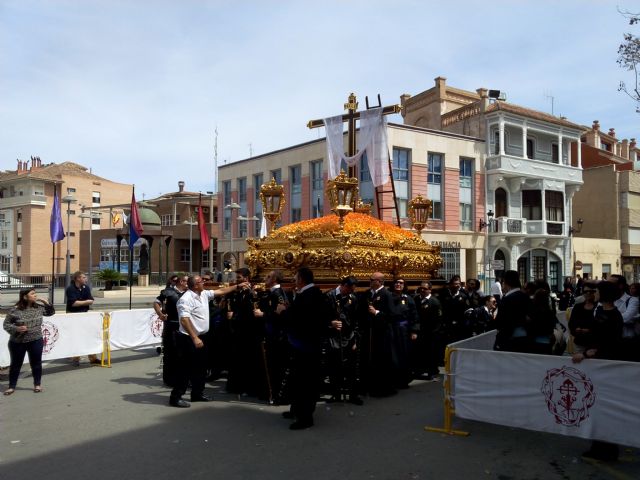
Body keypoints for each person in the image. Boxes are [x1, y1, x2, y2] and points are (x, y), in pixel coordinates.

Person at [169, 274, 248, 408]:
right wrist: (194, 337)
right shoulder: (186, 299)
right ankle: (176, 397)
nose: (204, 283)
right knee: (186, 369)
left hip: (202, 336)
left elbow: (221, 291)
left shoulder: (203, 294)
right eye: (201, 282)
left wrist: (236, 286)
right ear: (195, 285)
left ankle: (197, 393)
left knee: (201, 367)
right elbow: (184, 319)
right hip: (189, 338)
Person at [572, 280, 623, 461]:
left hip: (605, 366)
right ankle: (598, 445)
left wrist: (586, 353)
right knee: (595, 406)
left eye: (598, 291)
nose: (596, 294)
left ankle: (608, 449)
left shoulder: (614, 316)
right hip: (597, 365)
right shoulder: (601, 312)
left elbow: (609, 344)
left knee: (604, 407)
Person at [276, 267, 332, 430]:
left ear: (301, 279)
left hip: (306, 346)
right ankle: (296, 409)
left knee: (305, 383)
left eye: (295, 278)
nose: (293, 280)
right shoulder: (311, 294)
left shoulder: (309, 296)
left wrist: (282, 312)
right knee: (296, 379)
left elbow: (299, 321)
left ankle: (305, 417)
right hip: (303, 345)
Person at [3, 288, 55, 395]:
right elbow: (6, 325)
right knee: (16, 364)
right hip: (17, 342)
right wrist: (17, 329)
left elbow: (51, 312)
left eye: (35, 293)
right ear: (25, 297)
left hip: (36, 340)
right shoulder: (15, 310)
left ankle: (37, 384)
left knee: (36, 363)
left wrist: (45, 302)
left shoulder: (39, 308)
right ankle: (11, 386)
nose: (35, 295)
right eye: (33, 294)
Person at [225, 267, 265, 397]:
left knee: (248, 359)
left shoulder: (253, 292)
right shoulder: (236, 292)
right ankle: (236, 386)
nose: (237, 280)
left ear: (246, 278)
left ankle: (249, 387)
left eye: (239, 278)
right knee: (236, 358)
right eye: (236, 278)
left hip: (248, 330)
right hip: (237, 329)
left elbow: (255, 309)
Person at [254, 269, 291, 404]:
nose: (265, 278)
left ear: (275, 280)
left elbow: (282, 315)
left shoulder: (279, 294)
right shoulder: (270, 293)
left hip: (277, 336)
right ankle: (270, 393)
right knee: (270, 366)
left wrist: (263, 314)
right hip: (269, 334)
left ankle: (278, 395)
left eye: (268, 276)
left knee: (277, 367)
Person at [324, 276, 362, 405]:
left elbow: (357, 320)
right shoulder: (329, 296)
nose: (351, 292)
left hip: (349, 337)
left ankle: (352, 394)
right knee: (334, 366)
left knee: (351, 367)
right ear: (343, 285)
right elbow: (319, 317)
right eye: (349, 289)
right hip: (333, 338)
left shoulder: (353, 298)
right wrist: (330, 323)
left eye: (353, 290)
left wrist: (355, 339)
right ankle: (336, 394)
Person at [359, 271, 397, 397]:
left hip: (382, 334)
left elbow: (392, 315)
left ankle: (382, 388)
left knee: (381, 361)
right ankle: (368, 386)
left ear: (379, 282)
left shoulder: (387, 295)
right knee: (368, 360)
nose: (369, 282)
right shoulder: (367, 294)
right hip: (369, 333)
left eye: (372, 280)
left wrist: (376, 312)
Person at [153, 273, 187, 387]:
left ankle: (183, 378)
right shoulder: (168, 292)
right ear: (181, 282)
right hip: (171, 325)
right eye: (187, 281)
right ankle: (169, 379)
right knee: (170, 353)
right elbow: (156, 302)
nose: (189, 284)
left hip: (186, 326)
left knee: (183, 354)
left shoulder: (189, 293)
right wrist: (160, 313)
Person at [65, 271, 100, 366]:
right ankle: (75, 358)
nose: (86, 279)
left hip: (84, 314)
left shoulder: (86, 288)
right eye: (84, 277)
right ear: (77, 278)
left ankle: (93, 358)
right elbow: (74, 303)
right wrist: (86, 302)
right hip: (73, 314)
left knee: (89, 335)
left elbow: (91, 300)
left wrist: (84, 302)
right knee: (76, 336)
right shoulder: (70, 289)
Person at [388, 277, 417, 389]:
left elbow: (414, 316)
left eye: (401, 283)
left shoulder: (408, 299)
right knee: (392, 356)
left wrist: (414, 330)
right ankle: (393, 380)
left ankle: (404, 380)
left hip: (403, 331)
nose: (398, 284)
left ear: (404, 285)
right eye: (396, 282)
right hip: (391, 329)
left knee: (403, 355)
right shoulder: (388, 297)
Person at [493, 270, 532, 352]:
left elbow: (500, 322)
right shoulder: (526, 297)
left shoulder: (507, 299)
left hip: (509, 340)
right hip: (526, 337)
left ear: (506, 282)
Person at [411, 281, 443, 381]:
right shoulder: (416, 299)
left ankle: (432, 372)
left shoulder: (434, 302)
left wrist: (435, 332)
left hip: (431, 332)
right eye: (421, 288)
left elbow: (439, 319)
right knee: (419, 352)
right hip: (419, 331)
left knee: (431, 353)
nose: (422, 290)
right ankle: (419, 370)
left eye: (425, 289)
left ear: (430, 290)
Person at [609, 274, 640, 361]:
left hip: (627, 343)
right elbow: (597, 317)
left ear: (620, 286)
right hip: (611, 342)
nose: (607, 286)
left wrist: (608, 318)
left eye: (610, 284)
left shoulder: (633, 300)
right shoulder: (606, 300)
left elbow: (626, 319)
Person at [439, 275, 471, 342]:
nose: (457, 285)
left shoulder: (463, 296)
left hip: (459, 325)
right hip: (447, 324)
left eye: (459, 284)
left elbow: (467, 310)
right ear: (450, 284)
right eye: (455, 284)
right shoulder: (444, 295)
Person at [568, 281, 597, 354]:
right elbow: (571, 323)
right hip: (579, 343)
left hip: (595, 344)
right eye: (585, 291)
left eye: (591, 291)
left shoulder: (599, 307)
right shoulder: (578, 307)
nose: (588, 293)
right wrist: (576, 330)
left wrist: (589, 331)